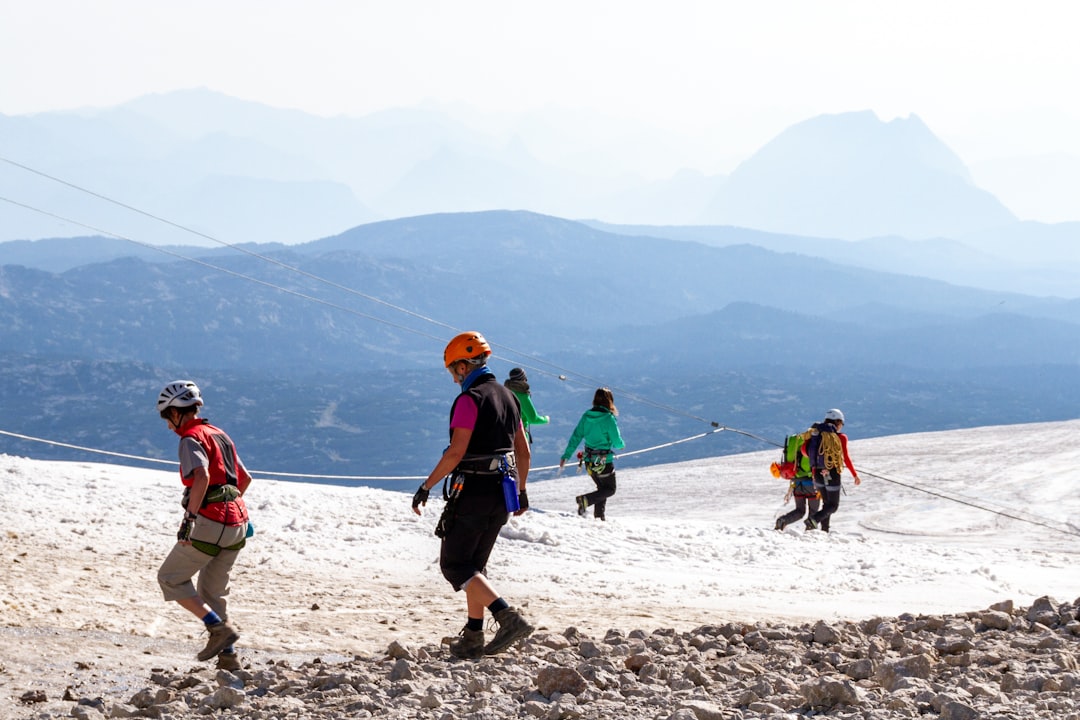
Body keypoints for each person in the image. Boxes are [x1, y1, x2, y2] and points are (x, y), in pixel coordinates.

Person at [411, 331, 535, 659]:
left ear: (465, 366)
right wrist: (521, 491)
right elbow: (523, 452)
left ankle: (507, 617)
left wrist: (426, 486)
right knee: (474, 567)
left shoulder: (469, 400)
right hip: (502, 491)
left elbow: (456, 452)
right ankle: (473, 637)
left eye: (453, 370)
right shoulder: (511, 399)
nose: (453, 378)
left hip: (474, 491)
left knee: (455, 565)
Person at [156, 380, 253, 671]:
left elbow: (201, 477)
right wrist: (227, 506)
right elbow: (245, 478)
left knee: (170, 578)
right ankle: (229, 657)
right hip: (238, 523)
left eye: (166, 417)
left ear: (175, 412)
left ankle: (217, 628)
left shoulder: (190, 439)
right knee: (213, 592)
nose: (168, 425)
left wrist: (190, 519)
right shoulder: (220, 434)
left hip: (210, 523)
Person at [559, 387, 625, 521]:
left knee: (602, 489)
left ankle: (599, 518)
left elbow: (576, 437)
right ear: (610, 401)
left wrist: (566, 456)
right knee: (610, 489)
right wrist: (622, 445)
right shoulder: (609, 419)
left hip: (589, 461)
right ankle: (585, 500)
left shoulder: (586, 416)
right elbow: (617, 442)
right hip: (603, 462)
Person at [803, 408, 861, 532]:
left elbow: (805, 450)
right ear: (838, 422)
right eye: (841, 424)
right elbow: (846, 457)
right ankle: (813, 520)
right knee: (833, 506)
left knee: (826, 504)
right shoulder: (840, 437)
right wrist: (854, 475)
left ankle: (824, 530)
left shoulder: (815, 434)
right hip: (832, 473)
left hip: (817, 473)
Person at [773, 433, 820, 531]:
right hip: (811, 483)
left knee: (800, 510)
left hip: (797, 483)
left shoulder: (794, 445)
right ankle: (810, 532)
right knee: (814, 511)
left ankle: (783, 521)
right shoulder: (813, 445)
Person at [503, 367, 549, 443]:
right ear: (523, 379)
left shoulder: (504, 392)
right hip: (519, 436)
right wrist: (546, 419)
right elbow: (533, 419)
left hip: (503, 435)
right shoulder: (522, 396)